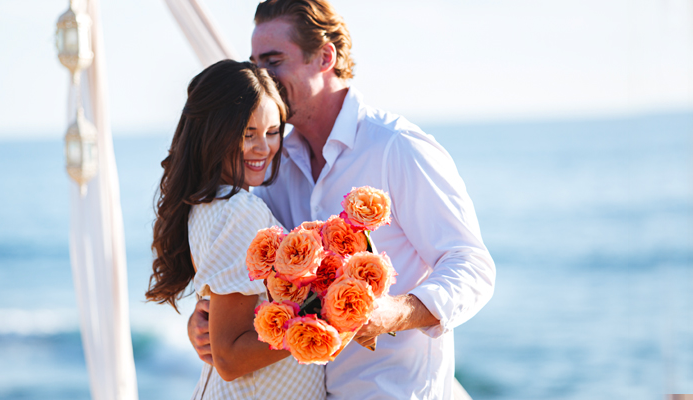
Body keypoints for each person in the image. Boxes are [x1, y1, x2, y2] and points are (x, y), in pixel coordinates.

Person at [187, 1, 497, 399]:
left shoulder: (397, 148)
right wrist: (206, 322)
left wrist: (391, 314)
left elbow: (472, 265)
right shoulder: (268, 163)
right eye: (256, 64)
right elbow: (251, 276)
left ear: (325, 57)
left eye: (274, 61)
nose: (263, 78)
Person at [147, 60, 326, 400]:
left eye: (272, 132)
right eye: (248, 134)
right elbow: (229, 357)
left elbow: (225, 318)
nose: (263, 148)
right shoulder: (239, 210)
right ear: (214, 132)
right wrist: (326, 316)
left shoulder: (208, 203)